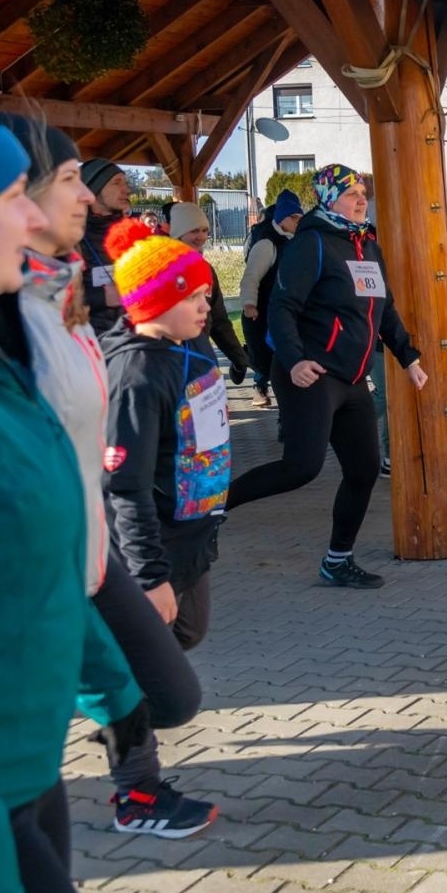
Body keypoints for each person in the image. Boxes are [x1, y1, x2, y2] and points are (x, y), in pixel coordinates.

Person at [0, 110, 148, 893]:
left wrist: (112, 687)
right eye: (13, 195)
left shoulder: (3, 356)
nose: (38, 218)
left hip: (28, 763)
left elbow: (35, 556)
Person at [225, 164, 427, 589]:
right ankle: (213, 507)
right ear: (328, 197)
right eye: (351, 192)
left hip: (351, 377)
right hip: (310, 373)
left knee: (364, 468)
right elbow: (282, 308)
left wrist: (409, 357)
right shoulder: (311, 242)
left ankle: (337, 561)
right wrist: (295, 359)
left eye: (362, 192)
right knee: (301, 467)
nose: (360, 198)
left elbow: (383, 309)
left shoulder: (367, 243)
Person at [100, 216, 232, 838]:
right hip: (150, 551)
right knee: (147, 676)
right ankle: (136, 788)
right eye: (195, 295)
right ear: (160, 301)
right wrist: (150, 576)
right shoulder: (135, 374)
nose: (207, 303)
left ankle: (115, 695)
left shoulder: (187, 348)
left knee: (189, 635)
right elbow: (122, 486)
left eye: (206, 293)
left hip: (190, 538)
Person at [168, 201, 249, 385]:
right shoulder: (162, 270)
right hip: (171, 366)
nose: (201, 236)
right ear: (178, 234)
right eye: (194, 231)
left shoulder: (206, 270)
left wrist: (239, 358)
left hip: (202, 361)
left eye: (204, 230)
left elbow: (218, 319)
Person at [239, 191, 303, 408]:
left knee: (286, 367)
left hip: (289, 316)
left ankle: (286, 418)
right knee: (271, 366)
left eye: (300, 217)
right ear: (283, 218)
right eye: (294, 217)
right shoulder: (266, 245)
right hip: (265, 316)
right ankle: (245, 360)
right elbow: (251, 278)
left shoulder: (298, 242)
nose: (298, 221)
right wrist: (249, 304)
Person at [80, 157, 133, 335]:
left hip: (133, 343)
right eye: (117, 183)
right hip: (91, 344)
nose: (127, 190)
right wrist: (102, 297)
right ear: (92, 190)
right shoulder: (73, 239)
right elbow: (50, 297)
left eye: (125, 182)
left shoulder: (133, 235)